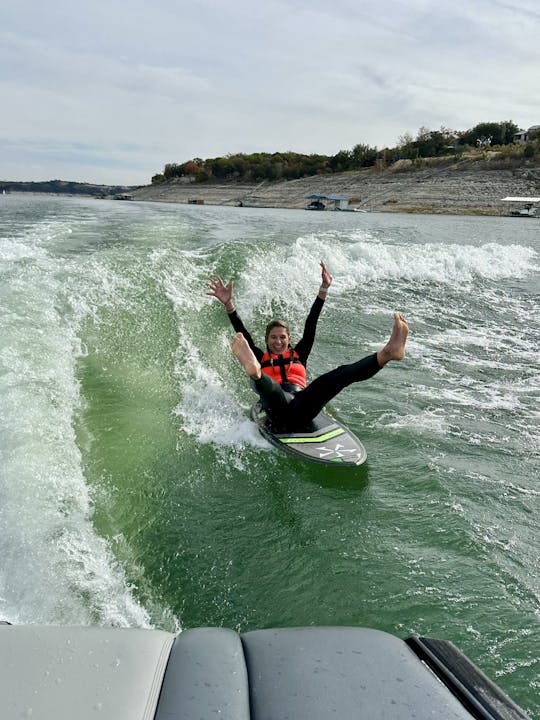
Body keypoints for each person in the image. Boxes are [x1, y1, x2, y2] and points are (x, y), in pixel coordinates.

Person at [207, 261, 408, 431]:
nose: (278, 342)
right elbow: (241, 329)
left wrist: (324, 289)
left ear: (289, 339)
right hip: (275, 408)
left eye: (282, 337)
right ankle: (255, 373)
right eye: (273, 338)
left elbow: (311, 322)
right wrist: (229, 304)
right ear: (267, 340)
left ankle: (387, 353)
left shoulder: (299, 353)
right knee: (271, 388)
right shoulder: (261, 356)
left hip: (302, 405)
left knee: (335, 377)